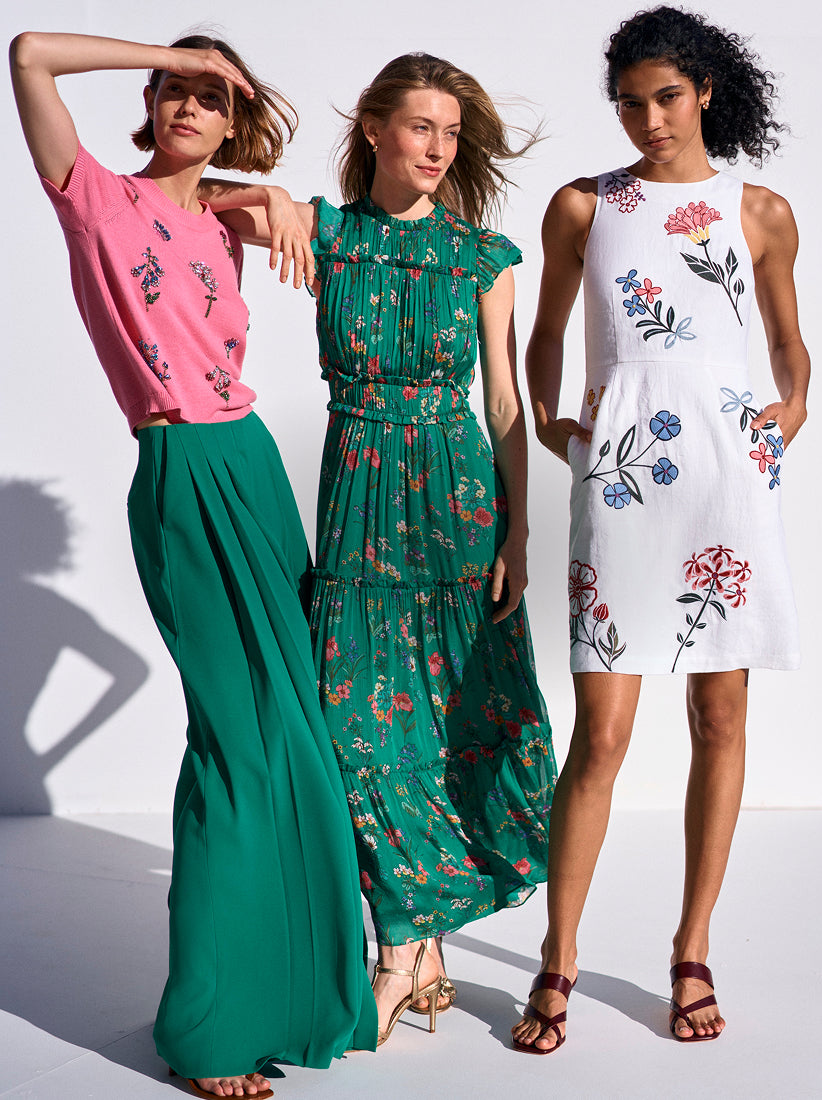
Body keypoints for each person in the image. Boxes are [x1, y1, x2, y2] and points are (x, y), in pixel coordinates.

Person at [10, 31, 376, 1099]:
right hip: (178, 467)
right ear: (152, 96)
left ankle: (303, 995)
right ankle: (208, 1025)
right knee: (232, 740)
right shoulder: (92, 197)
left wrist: (279, 200)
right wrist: (177, 52)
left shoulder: (224, 214)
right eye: (172, 88)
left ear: (232, 121)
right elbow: (28, 52)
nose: (183, 105)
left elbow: (283, 208)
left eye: (208, 98)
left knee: (297, 730)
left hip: (254, 467)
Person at [206, 51, 557, 1047]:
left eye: (451, 132)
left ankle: (403, 950)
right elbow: (195, 195)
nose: (440, 147)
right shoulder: (331, 234)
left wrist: (518, 531)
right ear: (372, 128)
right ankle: (414, 941)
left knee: (449, 718)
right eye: (420, 127)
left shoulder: (482, 256)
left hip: (455, 504)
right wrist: (265, 194)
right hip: (359, 497)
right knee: (347, 721)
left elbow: (500, 404)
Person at [511, 5, 809, 1053]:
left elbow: (785, 340)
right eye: (629, 102)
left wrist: (792, 408)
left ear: (704, 94)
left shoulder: (759, 208)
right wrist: (552, 425)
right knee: (600, 731)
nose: (645, 118)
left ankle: (690, 946)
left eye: (664, 98)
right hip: (623, 470)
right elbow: (541, 335)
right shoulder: (583, 207)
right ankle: (559, 951)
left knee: (718, 719)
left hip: (726, 474)